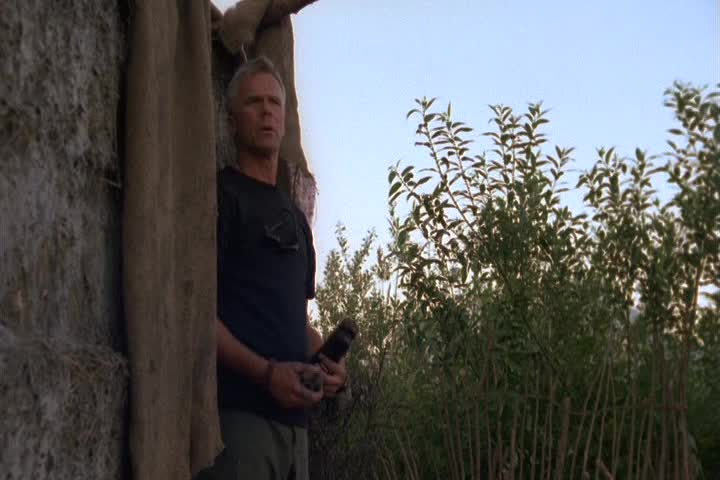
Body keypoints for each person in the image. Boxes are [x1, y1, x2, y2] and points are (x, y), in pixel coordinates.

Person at [211, 56, 347, 479]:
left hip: (295, 435)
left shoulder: (295, 218)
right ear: (232, 122)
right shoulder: (220, 196)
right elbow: (193, 314)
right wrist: (267, 374)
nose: (267, 111)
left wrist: (329, 367)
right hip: (240, 423)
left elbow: (295, 320)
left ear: (285, 121)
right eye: (254, 102)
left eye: (274, 102)